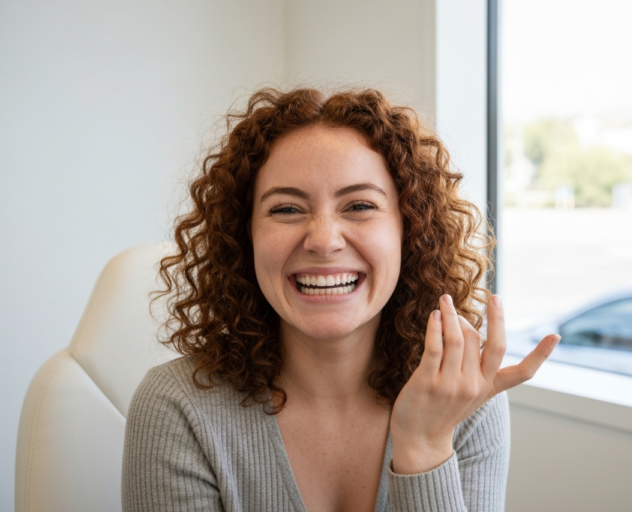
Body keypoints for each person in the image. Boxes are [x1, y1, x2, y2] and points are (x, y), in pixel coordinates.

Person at [122, 87, 559, 512]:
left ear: (410, 232)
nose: (324, 240)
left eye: (360, 206)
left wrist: (424, 449)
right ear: (244, 236)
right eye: (286, 209)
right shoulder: (176, 407)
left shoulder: (463, 396)